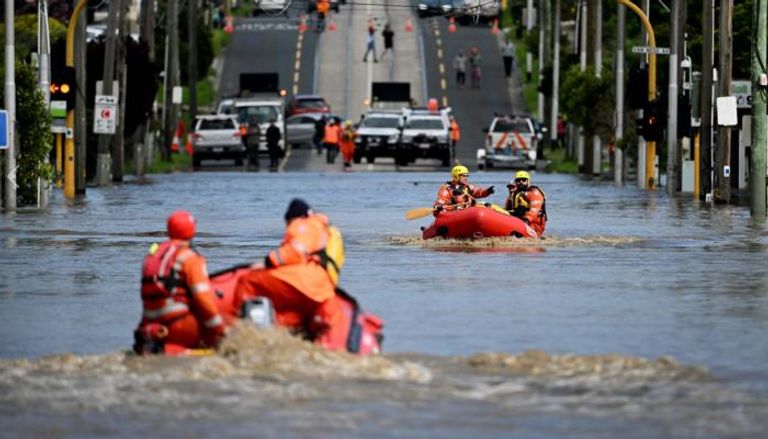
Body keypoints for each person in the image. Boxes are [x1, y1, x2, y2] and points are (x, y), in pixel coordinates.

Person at [234, 199, 342, 339]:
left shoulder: (305, 225)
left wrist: (268, 262)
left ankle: (239, 331)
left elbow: (295, 251)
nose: (287, 227)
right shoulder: (324, 230)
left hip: (304, 281)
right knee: (290, 314)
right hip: (321, 290)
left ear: (293, 218)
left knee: (247, 280)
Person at [134, 210, 226, 354]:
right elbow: (203, 299)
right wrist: (221, 330)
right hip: (178, 326)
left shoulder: (152, 256)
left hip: (150, 328)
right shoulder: (189, 257)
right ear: (192, 231)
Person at [505, 170, 547, 236]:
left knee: (517, 234)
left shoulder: (534, 193)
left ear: (528, 181)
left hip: (534, 223)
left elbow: (534, 210)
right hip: (520, 220)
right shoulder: (515, 194)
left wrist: (526, 220)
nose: (521, 182)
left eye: (523, 180)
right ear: (515, 182)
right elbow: (508, 210)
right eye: (518, 180)